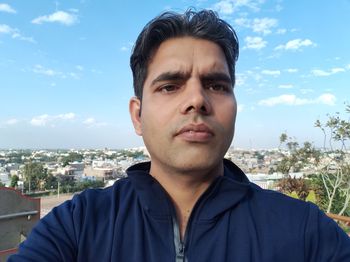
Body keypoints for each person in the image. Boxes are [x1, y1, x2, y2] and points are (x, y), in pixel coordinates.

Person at [9, 9, 350, 262]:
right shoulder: (79, 226)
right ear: (137, 115)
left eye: (216, 85)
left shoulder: (304, 232)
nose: (197, 100)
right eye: (170, 85)